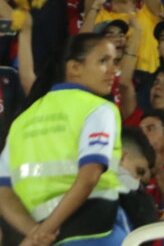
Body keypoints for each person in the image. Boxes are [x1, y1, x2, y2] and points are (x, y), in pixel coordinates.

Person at [0, 34, 128, 246]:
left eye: (115, 62)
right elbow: (89, 176)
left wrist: (36, 234)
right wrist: (45, 231)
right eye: (103, 61)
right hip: (99, 231)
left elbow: (3, 194)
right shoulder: (99, 108)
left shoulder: (21, 122)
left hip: (48, 237)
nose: (113, 70)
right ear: (74, 68)